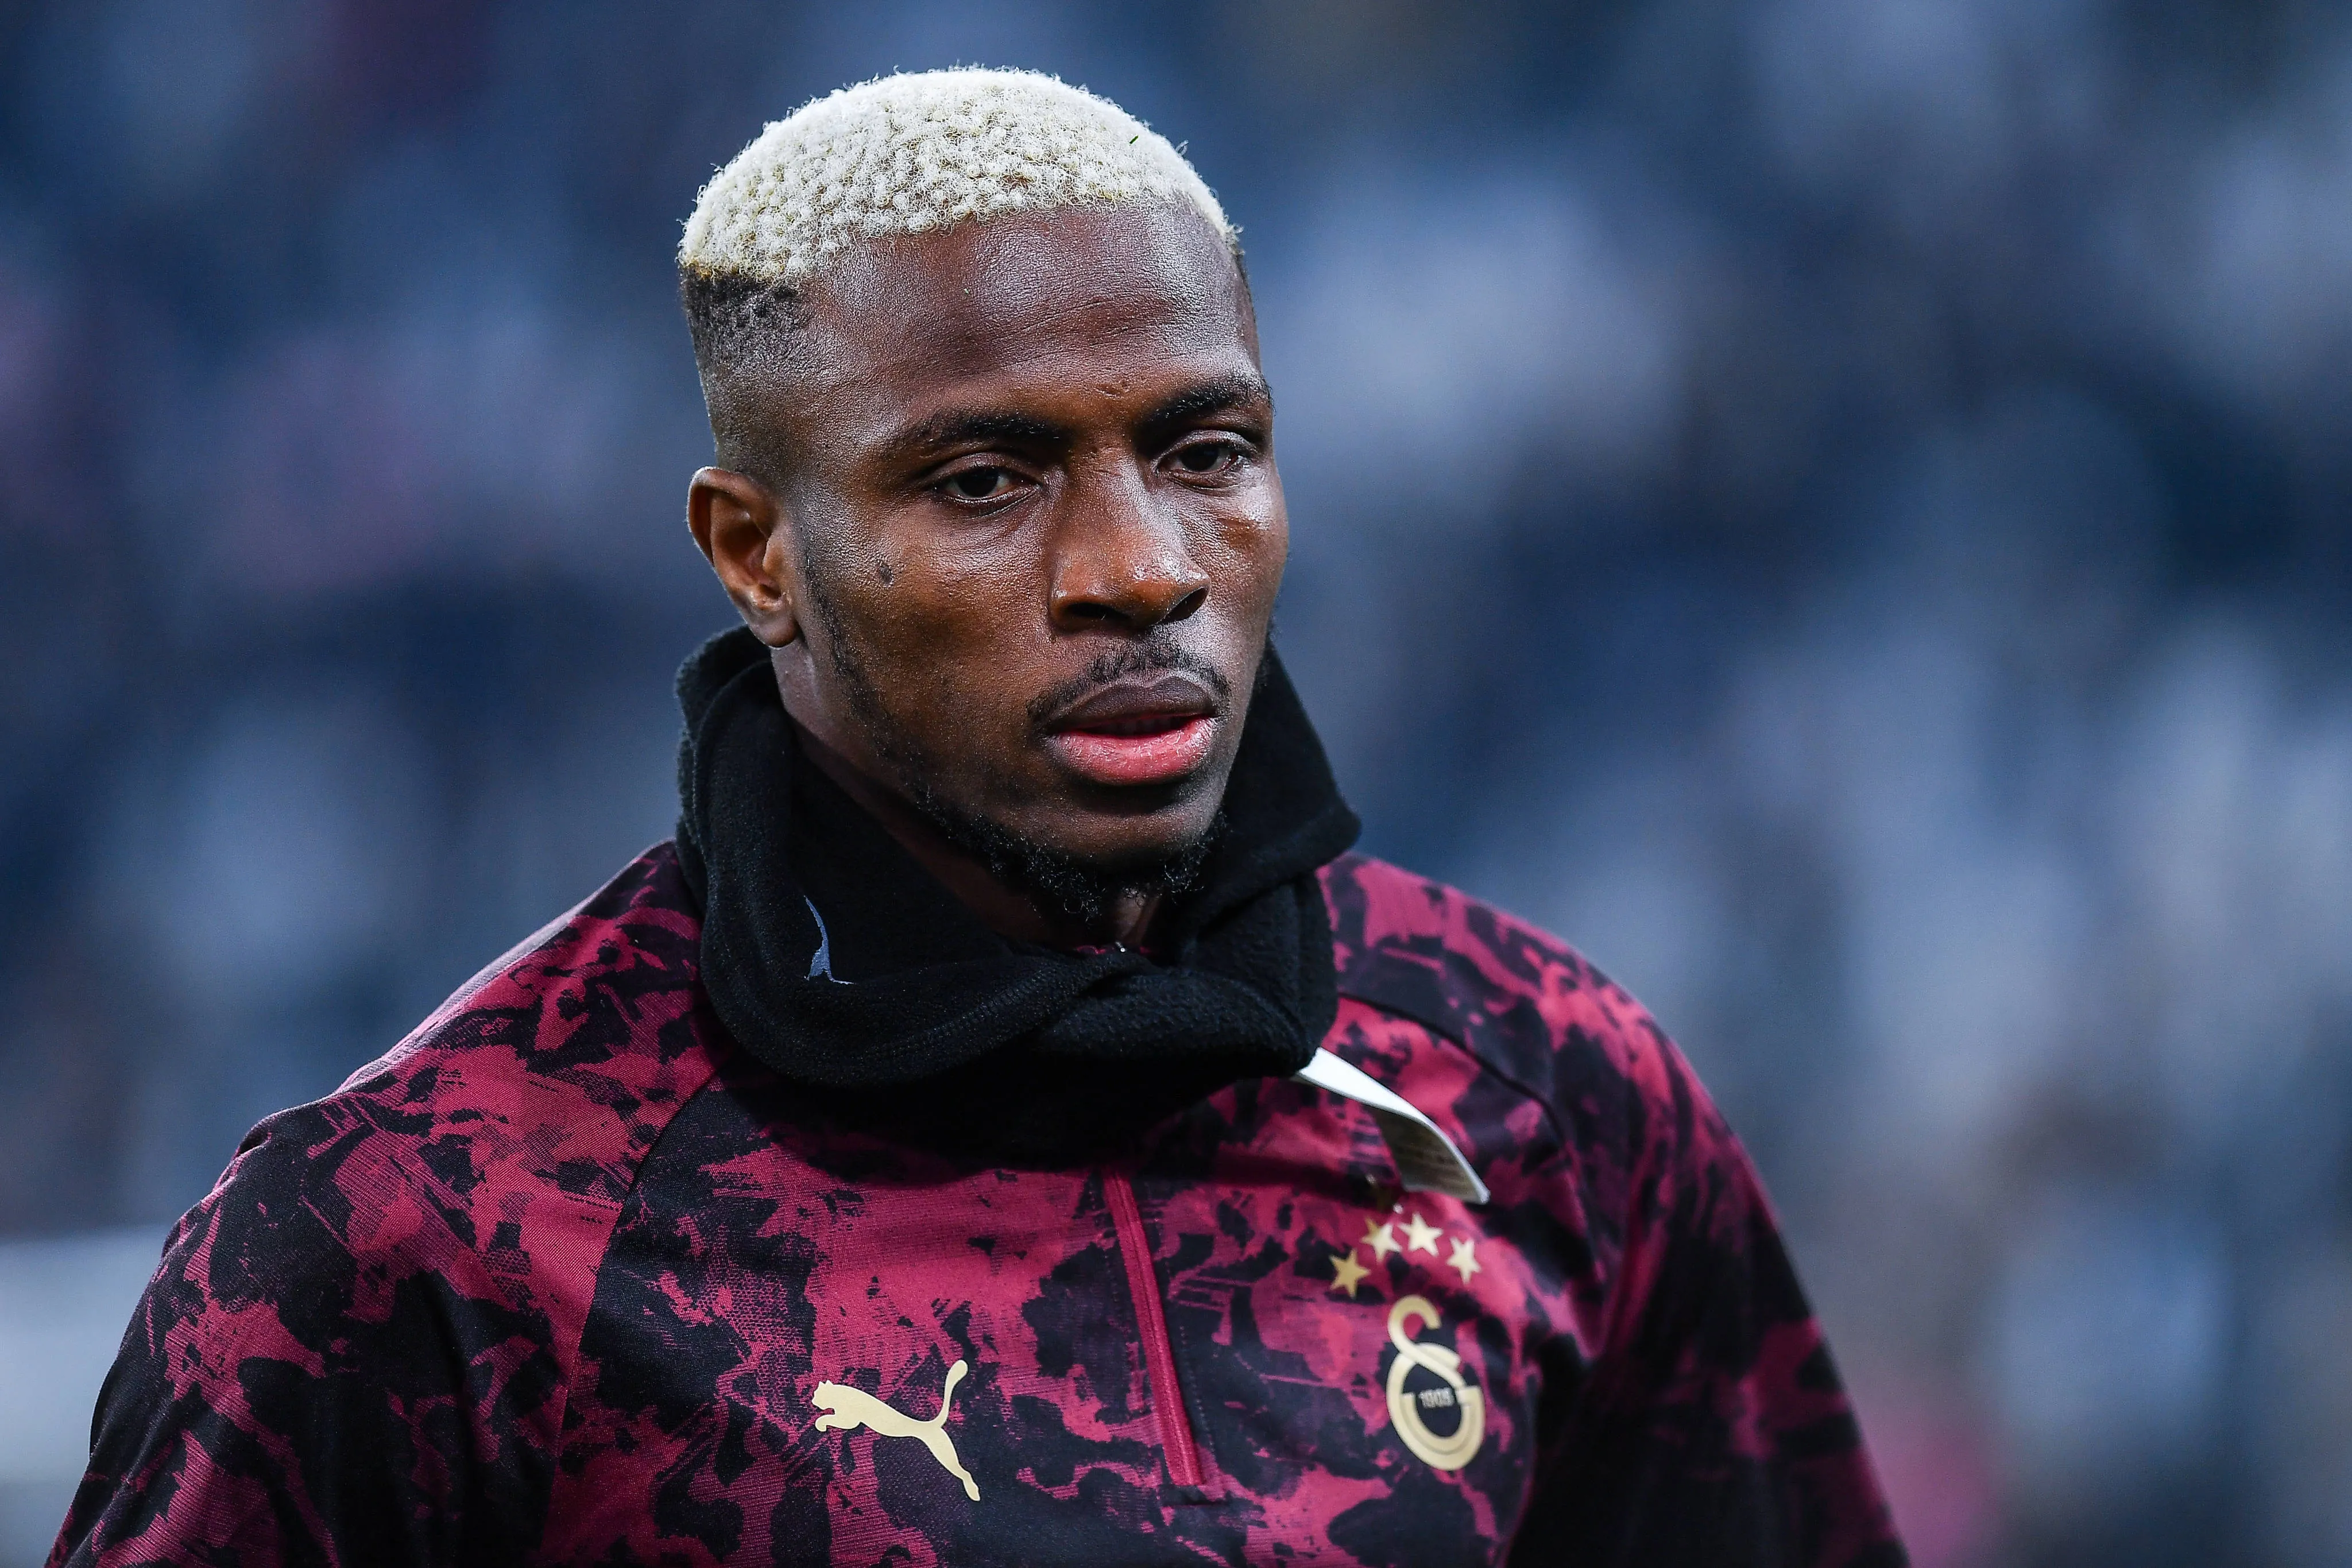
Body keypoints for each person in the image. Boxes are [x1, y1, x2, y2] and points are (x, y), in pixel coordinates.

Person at [53, 69, 1904, 1567]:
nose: (1137, 571)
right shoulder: (418, 1240)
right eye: (986, 478)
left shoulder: (1547, 1093)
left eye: (1204, 451)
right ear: (755, 553)